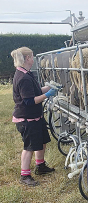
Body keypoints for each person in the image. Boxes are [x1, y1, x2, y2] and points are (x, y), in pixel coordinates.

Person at [11, 47, 56, 186]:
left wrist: (49, 88)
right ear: (27, 58)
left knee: (41, 141)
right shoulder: (23, 77)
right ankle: (24, 175)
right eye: (32, 56)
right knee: (29, 147)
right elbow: (29, 101)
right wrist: (47, 95)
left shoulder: (27, 74)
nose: (34, 58)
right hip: (27, 118)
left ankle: (40, 166)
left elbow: (35, 92)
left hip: (35, 116)